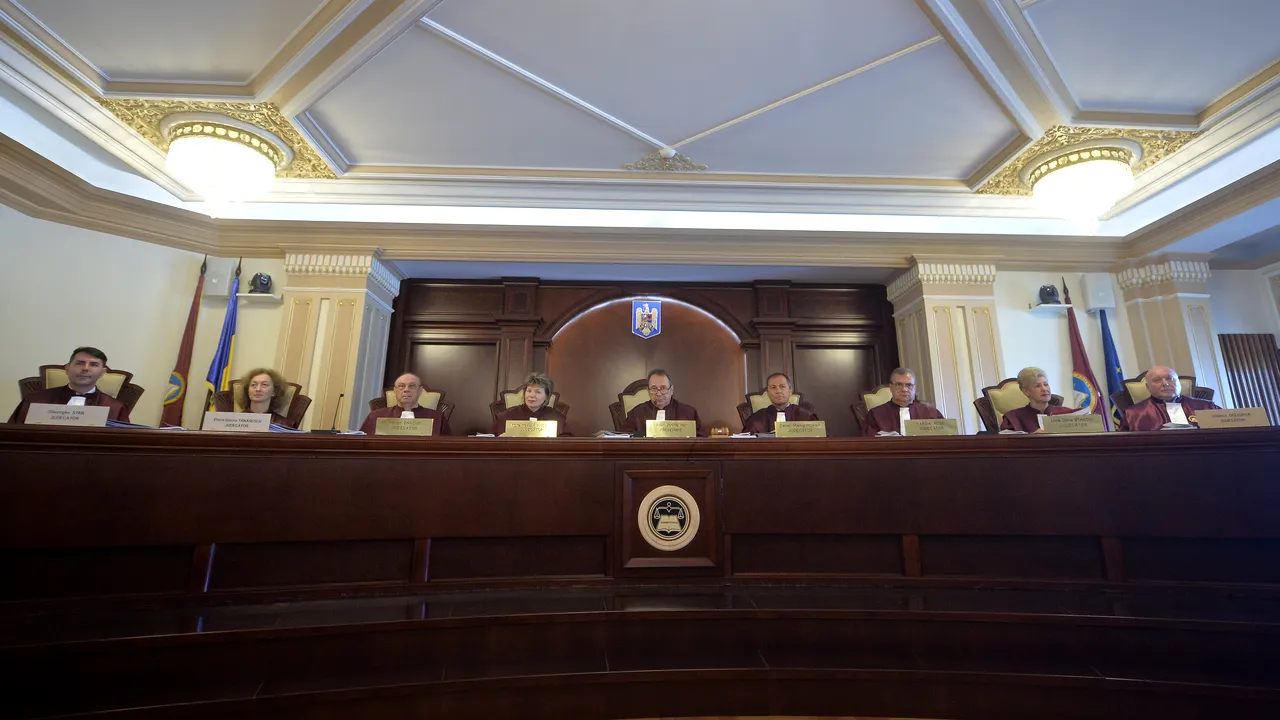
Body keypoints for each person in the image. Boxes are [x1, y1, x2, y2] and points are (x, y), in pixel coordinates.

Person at [9, 347, 131, 424]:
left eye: (93, 364)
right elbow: (12, 435)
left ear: (102, 372)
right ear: (67, 368)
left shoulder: (116, 408)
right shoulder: (35, 400)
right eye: (80, 363)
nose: (85, 368)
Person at [1120, 365, 1220, 431]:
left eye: (1170, 378)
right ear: (1147, 387)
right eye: (1157, 380)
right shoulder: (1132, 415)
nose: (1165, 383)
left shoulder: (1207, 406)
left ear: (1179, 383)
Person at [358, 373, 451, 435]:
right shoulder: (376, 416)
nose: (406, 390)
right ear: (395, 391)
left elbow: (448, 446)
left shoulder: (437, 417)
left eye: (412, 386)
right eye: (401, 386)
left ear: (420, 391)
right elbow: (362, 443)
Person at [863, 367, 943, 436]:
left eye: (909, 385)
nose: (904, 389)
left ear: (914, 388)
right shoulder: (875, 415)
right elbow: (869, 442)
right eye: (899, 385)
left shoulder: (932, 414)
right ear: (891, 387)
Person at [626, 368, 704, 437]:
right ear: (648, 391)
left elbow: (700, 441)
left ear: (671, 390)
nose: (659, 394)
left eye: (663, 388)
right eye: (654, 388)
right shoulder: (636, 414)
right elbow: (625, 439)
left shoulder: (689, 413)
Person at [999, 367, 1077, 433]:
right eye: (1037, 386)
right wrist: (1032, 438)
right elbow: (1007, 443)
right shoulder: (1013, 418)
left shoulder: (1068, 414)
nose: (1044, 389)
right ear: (1026, 391)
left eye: (1046, 384)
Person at [491, 372, 569, 435]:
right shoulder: (507, 415)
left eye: (538, 392)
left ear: (547, 396)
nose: (531, 395)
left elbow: (566, 442)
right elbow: (491, 439)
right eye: (529, 391)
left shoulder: (556, 418)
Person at [742, 372, 819, 434]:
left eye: (782, 386)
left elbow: (819, 440)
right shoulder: (757, 418)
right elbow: (746, 442)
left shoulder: (806, 416)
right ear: (768, 393)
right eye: (773, 387)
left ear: (790, 391)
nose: (778, 391)